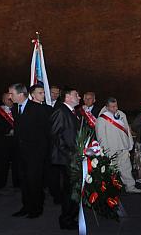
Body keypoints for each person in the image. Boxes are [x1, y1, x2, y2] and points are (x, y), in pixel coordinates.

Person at [9, 83, 52, 218]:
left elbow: (46, 132)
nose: (10, 96)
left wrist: (42, 153)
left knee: (34, 182)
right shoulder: (15, 109)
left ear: (21, 94)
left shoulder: (38, 109)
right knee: (24, 181)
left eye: (11, 94)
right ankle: (26, 206)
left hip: (35, 154)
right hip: (21, 153)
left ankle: (36, 208)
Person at [50, 87, 81, 230]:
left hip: (73, 157)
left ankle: (70, 216)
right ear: (68, 97)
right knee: (70, 190)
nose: (79, 97)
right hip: (67, 158)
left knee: (73, 189)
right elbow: (55, 136)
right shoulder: (60, 111)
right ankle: (66, 220)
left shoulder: (72, 112)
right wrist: (70, 154)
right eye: (76, 95)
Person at [96, 97, 141, 193]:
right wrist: (105, 149)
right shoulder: (102, 118)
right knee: (111, 170)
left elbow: (127, 130)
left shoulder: (121, 115)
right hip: (111, 148)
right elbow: (100, 135)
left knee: (126, 169)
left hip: (123, 146)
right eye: (112, 107)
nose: (115, 108)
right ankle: (110, 189)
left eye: (116, 106)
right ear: (107, 107)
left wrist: (130, 143)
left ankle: (130, 187)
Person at [0, 92, 18, 189]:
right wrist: (9, 131)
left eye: (11, 99)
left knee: (17, 163)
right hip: (3, 141)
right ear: (3, 100)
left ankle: (17, 183)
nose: (10, 101)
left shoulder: (17, 109)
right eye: (8, 99)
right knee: (2, 163)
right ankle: (0, 183)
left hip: (16, 140)